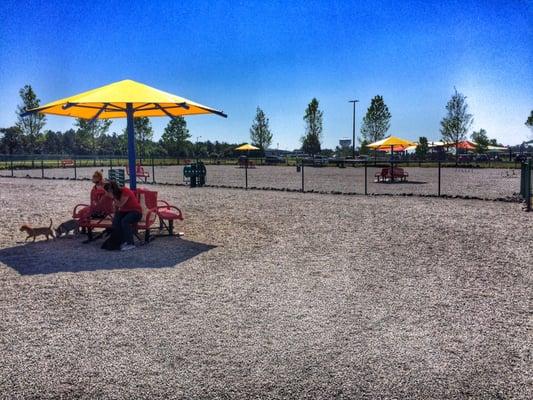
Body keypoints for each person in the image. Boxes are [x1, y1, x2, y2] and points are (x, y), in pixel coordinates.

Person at [103, 181, 142, 251]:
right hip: (125, 212)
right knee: (116, 220)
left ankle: (131, 243)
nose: (107, 193)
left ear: (111, 190)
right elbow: (116, 208)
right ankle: (120, 240)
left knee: (125, 221)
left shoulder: (125, 191)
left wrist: (113, 197)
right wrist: (115, 215)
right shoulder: (116, 194)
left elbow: (121, 204)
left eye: (107, 191)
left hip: (136, 212)